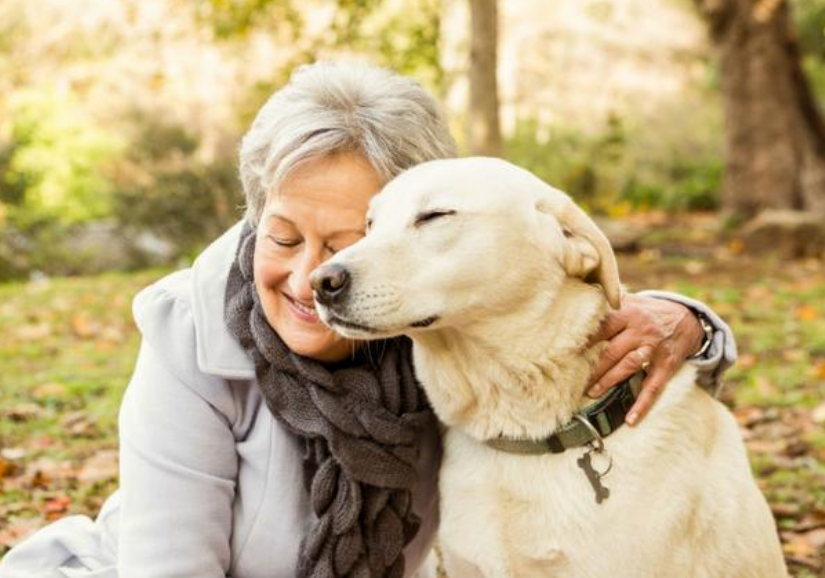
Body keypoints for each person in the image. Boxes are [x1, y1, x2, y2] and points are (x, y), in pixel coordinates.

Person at [0, 61, 736, 578]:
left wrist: (690, 322)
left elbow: (558, 315)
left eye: (347, 245)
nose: (313, 278)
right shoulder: (190, 339)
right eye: (282, 237)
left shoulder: (441, 328)